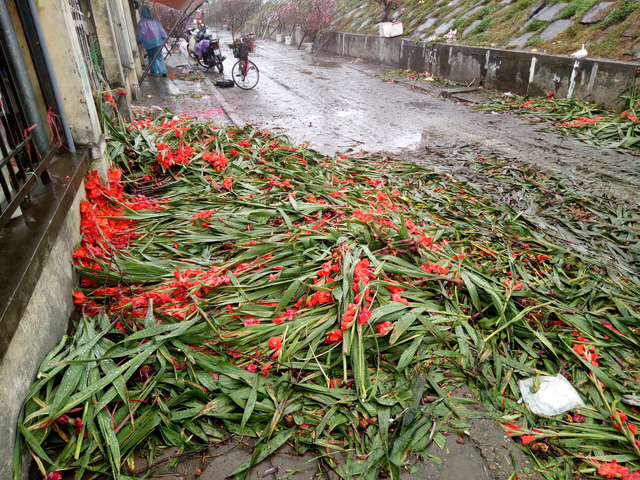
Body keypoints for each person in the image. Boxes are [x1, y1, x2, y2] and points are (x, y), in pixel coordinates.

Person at [137, 6, 167, 77]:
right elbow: (161, 30)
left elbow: (140, 35)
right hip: (157, 41)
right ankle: (163, 72)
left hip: (148, 43)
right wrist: (165, 37)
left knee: (151, 57)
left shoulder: (140, 23)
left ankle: (153, 72)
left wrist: (139, 42)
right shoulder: (154, 21)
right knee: (159, 56)